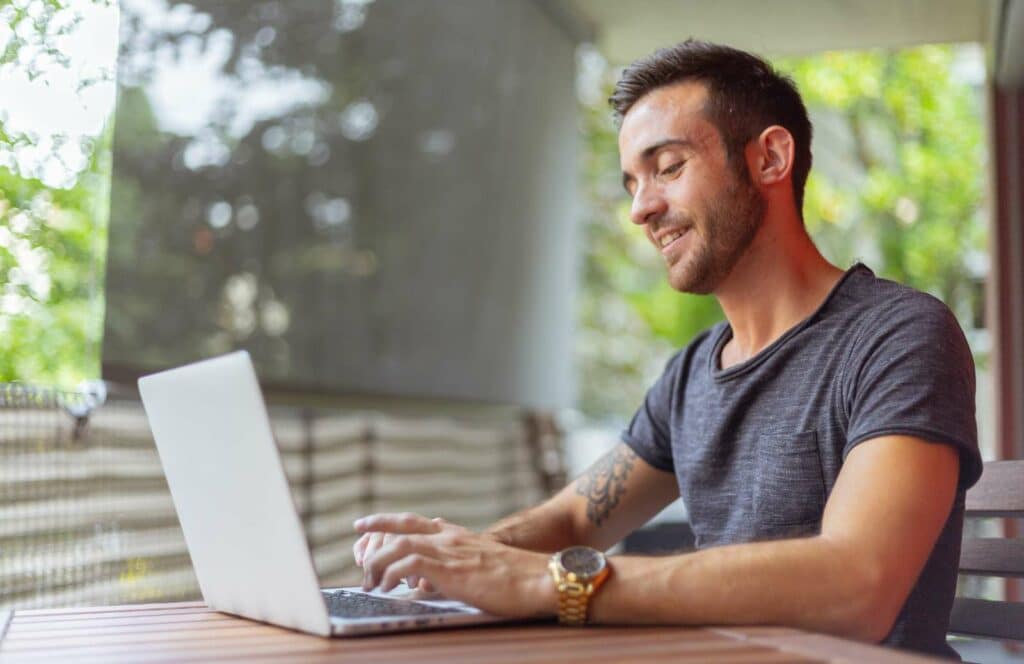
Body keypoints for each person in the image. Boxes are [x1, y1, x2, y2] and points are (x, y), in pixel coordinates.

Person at [352, 39, 982, 659]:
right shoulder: (692, 374)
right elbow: (576, 521)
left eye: (669, 167)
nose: (640, 208)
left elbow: (857, 585)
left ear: (770, 159)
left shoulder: (898, 336)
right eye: (631, 182)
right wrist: (460, 559)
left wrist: (550, 582)